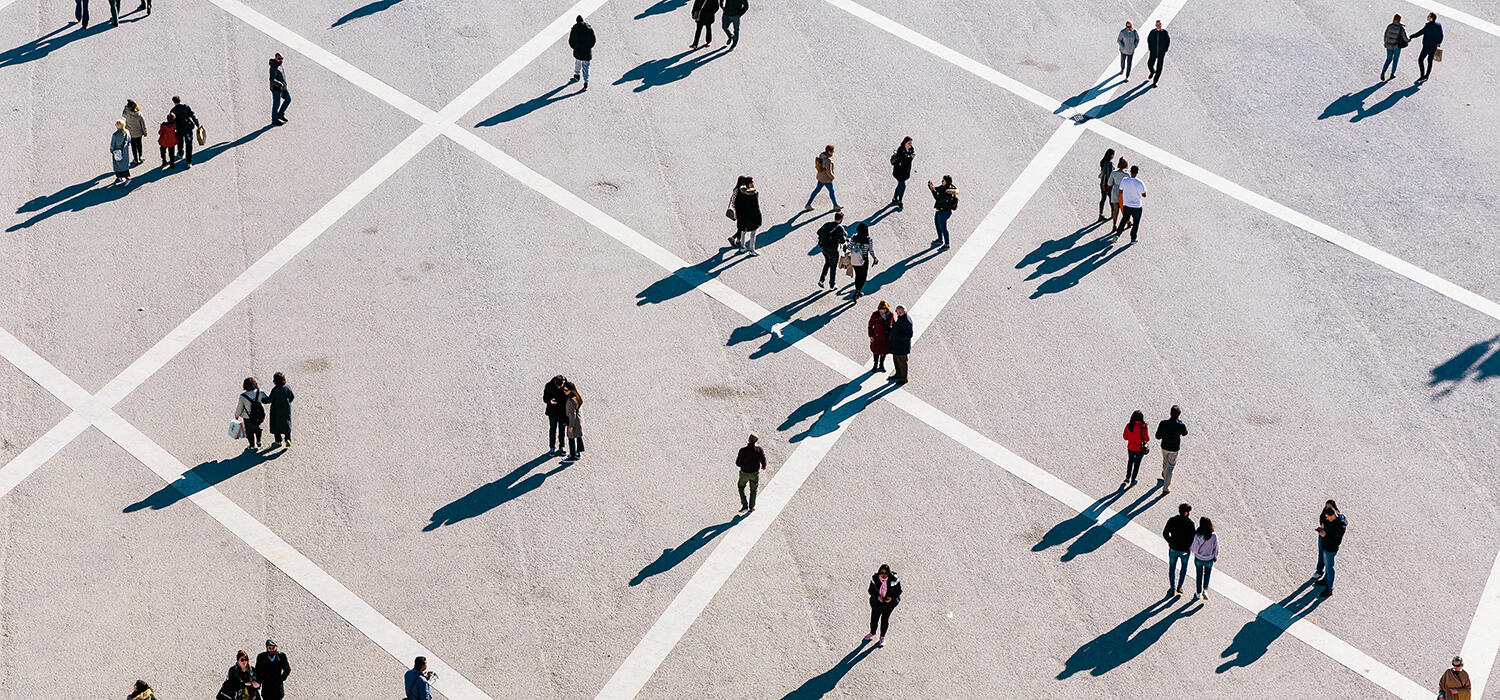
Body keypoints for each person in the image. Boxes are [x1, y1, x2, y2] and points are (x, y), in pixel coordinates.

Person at [1162, 503, 1195, 597]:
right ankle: (1180, 586)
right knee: (1183, 567)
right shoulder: (1190, 523)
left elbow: (1165, 533)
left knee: (1172, 568)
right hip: (1184, 550)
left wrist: (1170, 542)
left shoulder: (1172, 520)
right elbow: (1192, 538)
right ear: (1186, 513)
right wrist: (1188, 546)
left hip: (1173, 549)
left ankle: (1172, 588)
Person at [865, 564, 902, 647]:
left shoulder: (894, 581)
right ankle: (872, 632)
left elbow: (899, 591)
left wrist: (891, 598)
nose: (883, 575)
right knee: (874, 618)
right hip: (877, 603)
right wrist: (877, 596)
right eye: (881, 573)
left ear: (888, 573)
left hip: (888, 605)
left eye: (885, 573)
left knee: (884, 620)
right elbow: (870, 590)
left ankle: (882, 637)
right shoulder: (875, 579)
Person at [1316, 504, 1347, 597]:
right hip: (1326, 546)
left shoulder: (1339, 527)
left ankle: (1329, 588)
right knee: (1327, 565)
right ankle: (1326, 579)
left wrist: (1325, 536)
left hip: (1330, 549)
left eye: (1328, 517)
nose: (1327, 519)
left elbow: (1335, 541)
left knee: (1330, 568)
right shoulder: (1333, 520)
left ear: (1333, 515)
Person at [1155, 405, 1186, 493]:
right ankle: (1166, 487)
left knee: (1165, 461)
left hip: (1164, 446)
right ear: (1179, 415)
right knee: (1171, 466)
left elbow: (1158, 436)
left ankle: (1165, 475)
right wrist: (1180, 423)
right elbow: (1185, 433)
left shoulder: (1163, 423)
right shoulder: (1181, 425)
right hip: (1174, 448)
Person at [731, 175, 762, 256]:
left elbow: (738, 204)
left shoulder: (741, 192)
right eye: (752, 182)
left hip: (744, 216)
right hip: (752, 216)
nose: (754, 183)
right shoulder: (754, 193)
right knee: (753, 233)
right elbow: (756, 207)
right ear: (750, 184)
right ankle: (752, 249)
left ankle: (742, 247)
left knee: (743, 231)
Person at [846, 223, 878, 301]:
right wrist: (874, 258)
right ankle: (858, 291)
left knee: (857, 276)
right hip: (864, 260)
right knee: (863, 277)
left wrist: (848, 241)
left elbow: (849, 248)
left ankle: (857, 290)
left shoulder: (854, 237)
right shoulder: (868, 240)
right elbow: (871, 250)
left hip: (855, 260)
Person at [803, 145, 841, 211]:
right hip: (826, 179)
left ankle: (808, 204)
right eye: (832, 151)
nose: (833, 152)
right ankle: (835, 205)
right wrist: (832, 177)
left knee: (816, 190)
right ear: (829, 151)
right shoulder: (828, 160)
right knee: (831, 191)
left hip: (820, 176)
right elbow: (828, 172)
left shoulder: (821, 155)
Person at [236, 377, 269, 451]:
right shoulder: (260, 391)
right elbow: (266, 399)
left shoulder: (243, 396)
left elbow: (240, 407)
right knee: (258, 428)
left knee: (249, 432)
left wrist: (237, 415)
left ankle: (252, 446)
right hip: (258, 414)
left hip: (248, 417)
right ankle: (259, 442)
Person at [816, 211, 846, 289]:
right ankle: (832, 285)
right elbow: (842, 241)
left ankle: (821, 280)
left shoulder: (827, 224)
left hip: (824, 248)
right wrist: (844, 237)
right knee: (833, 267)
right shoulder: (839, 227)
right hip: (833, 250)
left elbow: (818, 232)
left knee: (827, 263)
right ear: (841, 219)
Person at [736, 434, 766, 512]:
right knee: (753, 490)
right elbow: (763, 458)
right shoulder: (759, 449)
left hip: (744, 473)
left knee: (741, 487)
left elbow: (738, 463)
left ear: (748, 440)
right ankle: (751, 507)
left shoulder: (742, 450)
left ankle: (744, 505)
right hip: (754, 474)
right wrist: (763, 465)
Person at [1116, 165, 1146, 242]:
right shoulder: (1140, 183)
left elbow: (1120, 190)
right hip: (1137, 206)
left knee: (1124, 220)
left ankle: (1117, 234)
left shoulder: (1124, 180)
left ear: (1130, 171)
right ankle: (1133, 238)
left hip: (1126, 205)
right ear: (1137, 172)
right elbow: (1144, 195)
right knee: (1136, 223)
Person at [1190, 517, 1218, 602]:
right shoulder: (1213, 535)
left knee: (1199, 575)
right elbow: (1216, 547)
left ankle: (1198, 593)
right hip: (1209, 559)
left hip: (1199, 558)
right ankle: (1205, 590)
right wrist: (1215, 556)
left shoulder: (1198, 535)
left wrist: (1196, 553)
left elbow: (1194, 549)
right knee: (1207, 574)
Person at [1411, 13, 1443, 82]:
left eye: (1428, 16)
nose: (1427, 17)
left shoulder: (1428, 26)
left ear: (1431, 18)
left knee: (1420, 60)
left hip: (1426, 47)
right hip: (1434, 47)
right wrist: (1439, 43)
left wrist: (1410, 37)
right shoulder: (1439, 25)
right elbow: (1441, 35)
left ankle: (1422, 75)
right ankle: (1427, 76)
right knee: (1430, 61)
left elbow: (1419, 33)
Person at [928, 176, 958, 249]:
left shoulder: (948, 192)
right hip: (939, 210)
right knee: (937, 224)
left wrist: (932, 190)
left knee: (943, 227)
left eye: (943, 180)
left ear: (947, 182)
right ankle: (940, 239)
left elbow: (938, 198)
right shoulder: (944, 187)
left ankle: (947, 244)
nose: (941, 181)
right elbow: (937, 189)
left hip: (944, 212)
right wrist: (932, 187)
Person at [169, 96, 198, 168]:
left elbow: (172, 122)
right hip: (188, 128)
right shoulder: (186, 107)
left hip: (179, 129)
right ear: (180, 100)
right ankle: (189, 161)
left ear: (173, 102)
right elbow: (192, 115)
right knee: (189, 145)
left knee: (180, 142)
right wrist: (198, 124)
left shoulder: (173, 110)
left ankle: (180, 153)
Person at [1122, 410, 1150, 487]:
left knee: (1130, 462)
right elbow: (1147, 438)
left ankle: (1127, 478)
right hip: (1140, 449)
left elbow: (1125, 437)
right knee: (1137, 464)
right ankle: (1133, 480)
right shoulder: (1143, 427)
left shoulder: (1129, 425)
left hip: (1130, 447)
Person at [267, 372, 294, 448]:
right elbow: (292, 396)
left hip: (276, 409)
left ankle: (278, 441)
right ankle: (288, 439)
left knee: (276, 424)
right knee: (286, 423)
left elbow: (270, 399)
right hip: (286, 409)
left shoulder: (275, 390)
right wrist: (288, 403)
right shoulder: (287, 387)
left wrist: (263, 400)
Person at [544, 375, 569, 456]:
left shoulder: (567, 386)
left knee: (562, 430)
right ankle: (552, 447)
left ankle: (562, 446)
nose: (559, 387)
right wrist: (550, 401)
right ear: (555, 382)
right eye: (558, 385)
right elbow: (545, 398)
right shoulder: (549, 386)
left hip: (563, 412)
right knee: (553, 430)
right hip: (553, 412)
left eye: (561, 385)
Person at [1313, 499, 1338, 580]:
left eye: (1329, 507)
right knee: (1321, 554)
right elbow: (1321, 518)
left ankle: (1326, 577)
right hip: (1322, 535)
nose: (1327, 508)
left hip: (1328, 538)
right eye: (1326, 506)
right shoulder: (1325, 512)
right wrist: (1322, 526)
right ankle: (1319, 571)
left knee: (1327, 558)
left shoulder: (1335, 516)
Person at [569, 15, 595, 89]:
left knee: (577, 62)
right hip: (586, 51)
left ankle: (577, 75)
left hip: (578, 50)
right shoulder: (589, 29)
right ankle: (586, 82)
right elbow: (593, 40)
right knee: (586, 67)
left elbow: (571, 41)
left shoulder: (574, 29)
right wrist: (589, 47)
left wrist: (574, 48)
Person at [888, 306, 912, 384]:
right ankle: (898, 374)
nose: (896, 313)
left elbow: (909, 335)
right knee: (896, 361)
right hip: (897, 346)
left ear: (901, 312)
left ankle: (904, 378)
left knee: (902, 363)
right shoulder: (901, 318)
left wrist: (895, 336)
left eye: (897, 312)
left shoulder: (906, 321)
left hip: (902, 347)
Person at [868, 300, 894, 371]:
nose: (883, 310)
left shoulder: (890, 314)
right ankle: (875, 364)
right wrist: (870, 335)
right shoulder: (875, 314)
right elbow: (870, 325)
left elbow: (893, 323)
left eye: (885, 308)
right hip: (877, 336)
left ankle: (881, 364)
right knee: (876, 351)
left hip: (886, 337)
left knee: (884, 351)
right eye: (882, 308)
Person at [1382, 14, 1409, 82]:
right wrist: (1408, 40)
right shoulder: (1401, 27)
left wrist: (1386, 42)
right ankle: (1392, 74)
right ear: (1400, 20)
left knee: (1388, 59)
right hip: (1396, 46)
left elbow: (1385, 35)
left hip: (1389, 46)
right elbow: (1405, 37)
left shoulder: (1390, 26)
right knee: (1395, 60)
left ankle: (1383, 72)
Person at [890, 137, 914, 209]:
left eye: (911, 143)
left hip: (905, 171)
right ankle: (900, 201)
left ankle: (894, 198)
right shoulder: (900, 150)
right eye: (909, 143)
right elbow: (906, 159)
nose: (910, 145)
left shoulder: (910, 148)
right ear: (905, 143)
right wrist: (912, 156)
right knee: (903, 186)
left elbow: (911, 153)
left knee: (899, 185)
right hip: (899, 172)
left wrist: (911, 155)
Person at [563, 381, 584, 461]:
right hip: (579, 421)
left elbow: (572, 415)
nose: (564, 392)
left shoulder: (570, 401)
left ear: (571, 390)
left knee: (571, 438)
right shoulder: (577, 397)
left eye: (566, 390)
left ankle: (572, 456)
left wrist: (571, 426)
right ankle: (578, 452)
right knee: (578, 436)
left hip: (573, 422)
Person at [123, 100, 147, 165]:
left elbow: (123, 114)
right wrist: (145, 132)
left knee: (133, 146)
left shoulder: (127, 114)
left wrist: (125, 109)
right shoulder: (139, 114)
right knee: (139, 145)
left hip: (131, 133)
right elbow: (143, 124)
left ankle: (135, 159)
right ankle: (140, 157)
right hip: (139, 133)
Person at [1145, 19, 1170, 85]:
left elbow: (1168, 41)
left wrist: (1165, 50)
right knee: (1149, 63)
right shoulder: (1152, 32)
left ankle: (1155, 81)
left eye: (1159, 24)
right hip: (1153, 52)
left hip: (1161, 53)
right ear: (1155, 25)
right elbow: (1149, 40)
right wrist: (1150, 48)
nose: (1158, 26)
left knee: (1159, 67)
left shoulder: (1165, 33)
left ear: (1161, 25)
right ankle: (1152, 71)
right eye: (1157, 25)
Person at [1107, 157, 1128, 231]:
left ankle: (1114, 225)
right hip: (1123, 193)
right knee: (1124, 209)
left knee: (1115, 210)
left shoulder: (1114, 173)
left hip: (1115, 191)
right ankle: (1128, 222)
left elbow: (1109, 183)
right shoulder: (1127, 175)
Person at [269, 53, 290, 125]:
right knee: (276, 104)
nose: (281, 60)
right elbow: (272, 80)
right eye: (279, 59)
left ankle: (280, 114)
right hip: (276, 89)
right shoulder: (273, 67)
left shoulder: (280, 64)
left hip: (283, 87)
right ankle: (274, 120)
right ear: (275, 58)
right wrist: (280, 84)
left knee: (288, 99)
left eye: (282, 59)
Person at [1096, 148, 1116, 220]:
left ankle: (1100, 213)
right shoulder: (1110, 164)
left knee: (1103, 198)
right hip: (1108, 184)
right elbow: (1111, 175)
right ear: (1111, 155)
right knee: (1111, 199)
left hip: (1102, 183)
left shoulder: (1102, 162)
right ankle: (1113, 213)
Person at [110, 121, 132, 185]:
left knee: (117, 164)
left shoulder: (115, 134)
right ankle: (122, 177)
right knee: (124, 165)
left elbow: (112, 144)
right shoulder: (127, 131)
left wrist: (111, 151)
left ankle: (125, 178)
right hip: (125, 150)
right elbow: (129, 140)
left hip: (117, 151)